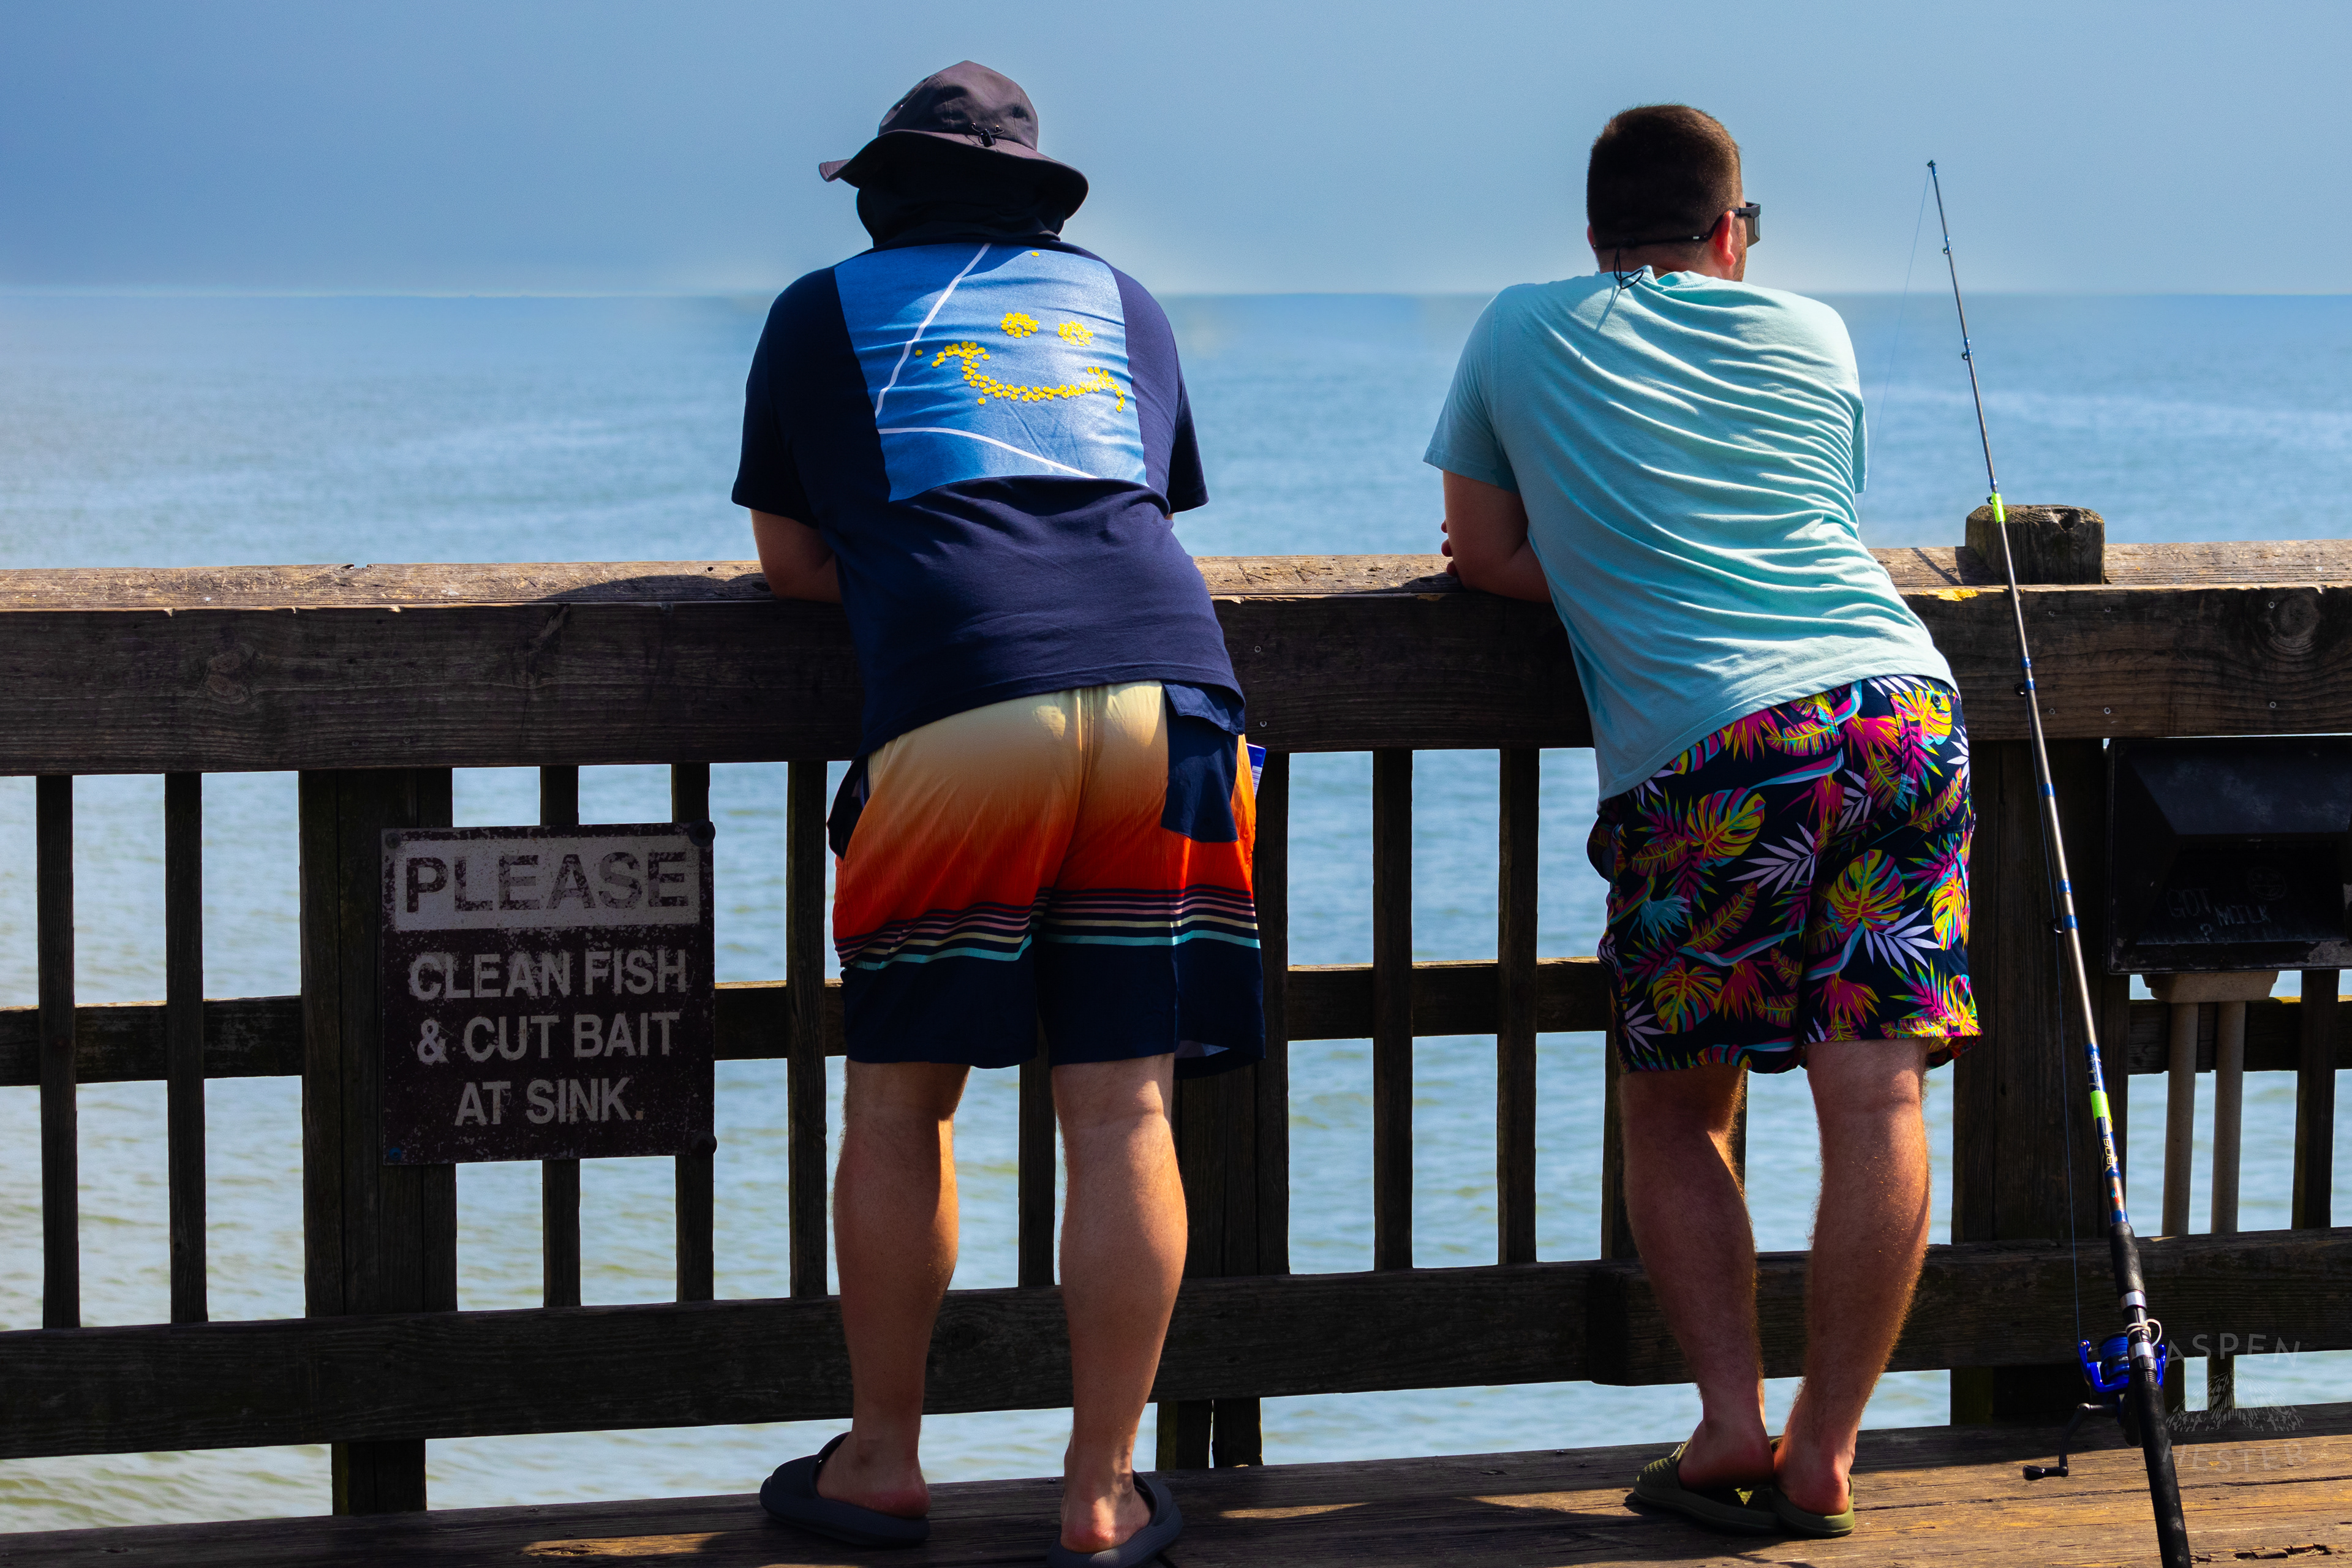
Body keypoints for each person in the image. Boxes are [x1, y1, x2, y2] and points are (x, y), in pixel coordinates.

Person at [733, 61, 1260, 1566]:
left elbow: (790, 560)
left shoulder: (820, 309)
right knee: (1123, 1104)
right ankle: (1099, 1492)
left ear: (884, 187)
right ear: (1033, 196)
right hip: (1172, 696)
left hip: (967, 699)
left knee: (908, 1097)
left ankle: (884, 1461)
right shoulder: (1124, 304)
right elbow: (1134, 507)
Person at [1431, 105, 1975, 1541]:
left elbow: (1483, 556)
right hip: (1899, 704)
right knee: (1880, 1093)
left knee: (1680, 1107)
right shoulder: (1813, 331)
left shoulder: (1518, 326)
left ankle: (1732, 1422)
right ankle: (1827, 1451)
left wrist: (1611, 569)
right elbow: (1806, 522)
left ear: (1595, 232)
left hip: (1718, 748)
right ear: (1734, 232)